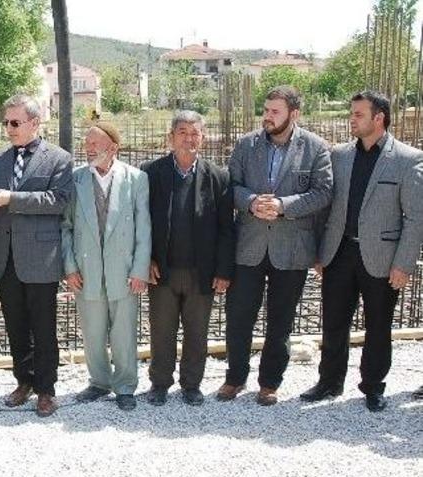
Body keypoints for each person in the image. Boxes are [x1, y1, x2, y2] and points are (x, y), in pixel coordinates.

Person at [301, 91, 423, 411]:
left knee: (378, 325)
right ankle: (329, 381)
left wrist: (403, 264)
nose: (351, 119)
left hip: (382, 259)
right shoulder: (339, 155)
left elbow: (415, 218)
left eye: (358, 114)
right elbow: (324, 206)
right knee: (334, 322)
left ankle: (373, 386)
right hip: (339, 253)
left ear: (378, 118)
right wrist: (319, 251)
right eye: (351, 113)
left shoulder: (409, 159)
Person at [219, 85, 333, 406]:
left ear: (293, 114)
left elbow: (323, 192)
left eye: (275, 112)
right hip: (249, 246)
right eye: (266, 110)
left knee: (280, 320)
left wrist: (283, 205)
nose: (267, 117)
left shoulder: (315, 148)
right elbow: (232, 185)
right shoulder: (246, 145)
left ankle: (269, 383)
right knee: (239, 317)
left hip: (291, 249)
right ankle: (235, 378)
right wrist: (252, 201)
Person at [0, 94, 74, 417]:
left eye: (15, 123)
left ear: (35, 123)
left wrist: (13, 199)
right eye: (6, 122)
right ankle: (23, 381)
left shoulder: (59, 159)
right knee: (15, 325)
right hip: (5, 257)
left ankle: (46, 389)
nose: (9, 128)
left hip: (41, 257)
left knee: (44, 327)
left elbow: (58, 201)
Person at [141, 111, 235, 407]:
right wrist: (146, 259)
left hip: (201, 271)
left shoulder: (217, 176)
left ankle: (191, 384)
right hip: (163, 269)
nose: (189, 138)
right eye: (182, 132)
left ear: (203, 138)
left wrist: (223, 270)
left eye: (195, 133)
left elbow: (226, 229)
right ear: (171, 138)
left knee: (197, 332)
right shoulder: (151, 173)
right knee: (162, 330)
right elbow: (139, 221)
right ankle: (159, 383)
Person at [61, 122, 150, 411]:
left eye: (94, 144)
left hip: (123, 271)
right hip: (86, 271)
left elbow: (144, 228)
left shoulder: (136, 179)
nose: (88, 148)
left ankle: (125, 386)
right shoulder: (75, 180)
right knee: (93, 331)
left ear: (113, 147)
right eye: (86, 143)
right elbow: (66, 226)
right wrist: (70, 266)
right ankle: (99, 382)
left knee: (124, 332)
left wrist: (139, 270)